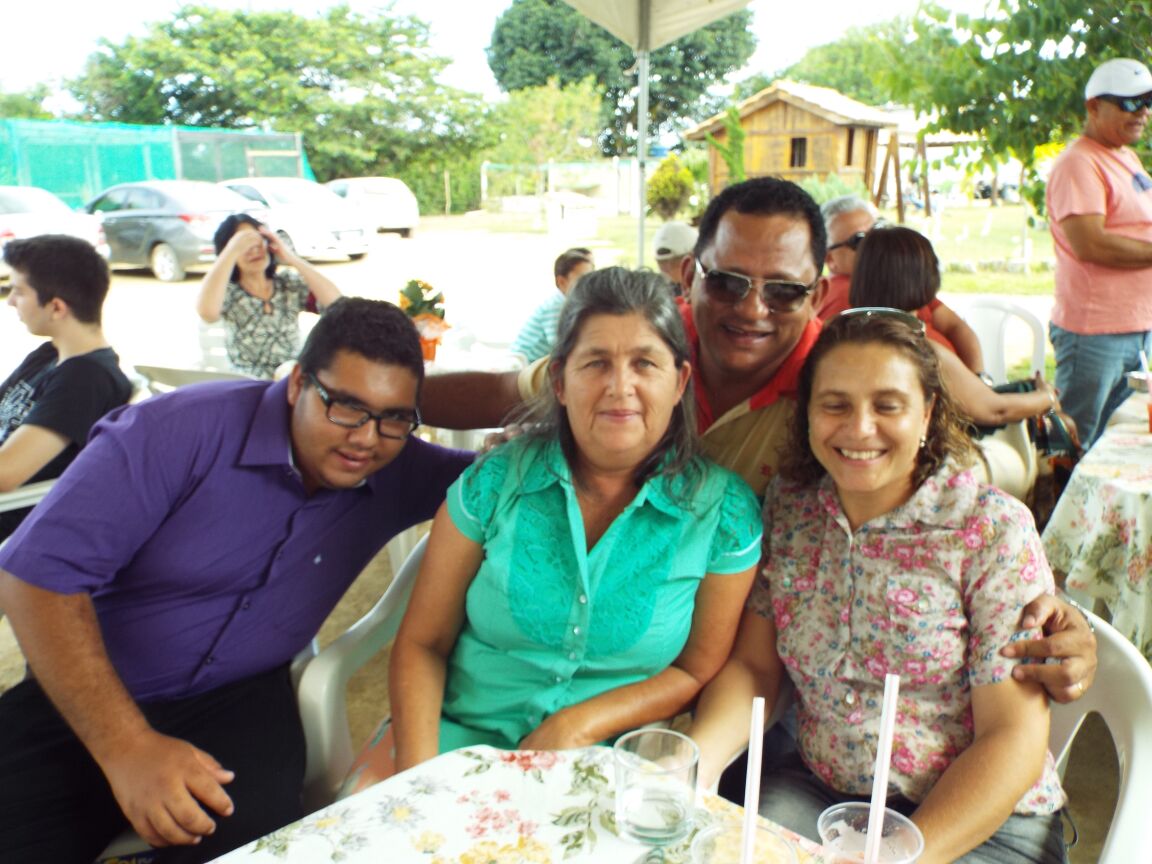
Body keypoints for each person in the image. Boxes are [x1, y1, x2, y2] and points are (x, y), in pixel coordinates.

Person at [417, 177, 1097, 704]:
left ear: (819, 292)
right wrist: (383, 408)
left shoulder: (837, 390)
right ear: (691, 275)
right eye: (729, 282)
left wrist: (1056, 614)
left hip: (737, 673)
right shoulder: (639, 351)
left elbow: (953, 508)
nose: (752, 309)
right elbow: (505, 390)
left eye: (783, 292)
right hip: (595, 646)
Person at [0, 297, 472, 863]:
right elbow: (35, 576)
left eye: (394, 417)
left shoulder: (398, 466)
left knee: (259, 845)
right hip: (86, 688)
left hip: (240, 700)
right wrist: (127, 747)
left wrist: (542, 379)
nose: (366, 439)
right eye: (346, 407)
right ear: (297, 383)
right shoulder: (173, 431)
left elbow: (517, 475)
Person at [340, 268, 760, 792]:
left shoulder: (722, 514)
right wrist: (419, 778)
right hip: (453, 742)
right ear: (559, 381)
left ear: (678, 382)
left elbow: (695, 670)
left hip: (606, 767)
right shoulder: (496, 483)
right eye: (596, 362)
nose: (620, 387)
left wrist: (577, 724)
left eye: (644, 363)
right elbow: (424, 641)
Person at [689, 310, 1067, 864]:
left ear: (927, 413)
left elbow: (1013, 737)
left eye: (888, 405)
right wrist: (694, 765)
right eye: (835, 404)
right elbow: (755, 667)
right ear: (807, 413)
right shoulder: (791, 511)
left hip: (981, 818)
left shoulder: (989, 530)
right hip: (823, 795)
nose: (860, 428)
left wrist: (899, 856)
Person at [1047, 57, 1152, 446]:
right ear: (1093, 106)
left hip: (1134, 327)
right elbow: (1090, 243)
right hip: (1094, 333)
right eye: (1129, 102)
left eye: (1148, 101)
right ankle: (1058, 490)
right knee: (1073, 441)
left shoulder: (1125, 156)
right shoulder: (1079, 163)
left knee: (1114, 439)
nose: (1142, 112)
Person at [0, 234, 133, 540]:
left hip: (20, 524)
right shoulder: (49, 355)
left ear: (57, 307)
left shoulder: (86, 379)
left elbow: (6, 474)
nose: (10, 301)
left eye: (18, 291)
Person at [815, 196, 985, 373]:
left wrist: (979, 377)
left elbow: (954, 325)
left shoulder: (896, 280)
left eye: (877, 229)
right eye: (859, 240)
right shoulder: (851, 297)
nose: (879, 242)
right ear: (830, 258)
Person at [196, 213, 342, 378]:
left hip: (291, 379)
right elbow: (207, 312)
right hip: (249, 383)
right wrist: (231, 250)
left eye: (258, 241)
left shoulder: (287, 283)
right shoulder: (229, 292)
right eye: (244, 245)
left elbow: (336, 304)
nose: (254, 250)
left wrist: (290, 257)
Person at [509, 246, 595, 364]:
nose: (588, 284)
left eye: (590, 278)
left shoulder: (569, 303)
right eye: (581, 279)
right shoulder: (556, 306)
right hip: (526, 364)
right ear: (561, 282)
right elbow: (561, 345)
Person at [653, 220, 697, 298]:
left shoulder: (704, 290)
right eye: (661, 263)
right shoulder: (659, 291)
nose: (667, 268)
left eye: (674, 262)